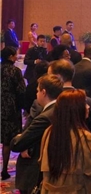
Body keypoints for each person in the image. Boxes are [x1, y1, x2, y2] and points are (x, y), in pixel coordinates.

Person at [40, 89, 91, 193]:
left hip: (50, 189)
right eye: (84, 103)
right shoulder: (83, 136)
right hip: (77, 190)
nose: (88, 107)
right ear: (75, 109)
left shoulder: (49, 131)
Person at [11, 74, 64, 194]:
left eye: (37, 91)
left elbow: (17, 144)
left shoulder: (45, 117)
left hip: (38, 169)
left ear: (43, 92)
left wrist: (18, 137)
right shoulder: (61, 109)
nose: (36, 94)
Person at [1, 47, 26, 180]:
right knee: (8, 140)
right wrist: (23, 107)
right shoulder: (15, 71)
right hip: (10, 107)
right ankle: (5, 169)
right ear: (10, 57)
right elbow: (21, 90)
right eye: (15, 55)